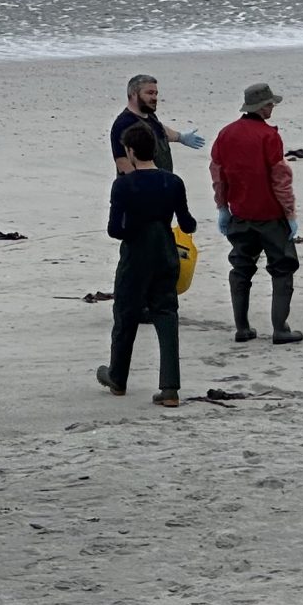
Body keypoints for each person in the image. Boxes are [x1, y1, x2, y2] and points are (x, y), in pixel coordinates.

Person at [99, 122, 197, 407]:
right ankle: (170, 387)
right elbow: (187, 222)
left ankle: (118, 377)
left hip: (136, 254)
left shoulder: (123, 185)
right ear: (155, 149)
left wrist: (134, 228)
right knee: (166, 315)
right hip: (166, 251)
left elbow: (114, 229)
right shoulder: (173, 181)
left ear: (130, 151)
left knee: (126, 314)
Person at [210, 82, 303, 345]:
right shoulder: (268, 136)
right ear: (262, 107)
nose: (272, 107)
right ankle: (280, 329)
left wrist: (222, 207)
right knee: (282, 267)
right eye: (271, 104)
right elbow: (280, 178)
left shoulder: (225, 134)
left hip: (239, 213)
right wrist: (291, 213)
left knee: (241, 268)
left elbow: (218, 175)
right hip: (270, 214)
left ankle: (242, 327)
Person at [108, 74, 205, 175]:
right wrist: (140, 185)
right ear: (133, 94)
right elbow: (122, 163)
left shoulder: (150, 116)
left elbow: (161, 129)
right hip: (144, 187)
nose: (154, 98)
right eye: (150, 93)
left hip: (163, 182)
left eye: (156, 94)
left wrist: (180, 137)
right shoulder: (123, 124)